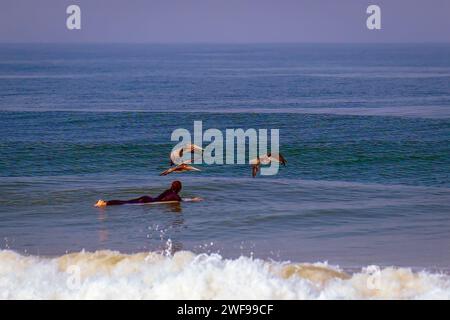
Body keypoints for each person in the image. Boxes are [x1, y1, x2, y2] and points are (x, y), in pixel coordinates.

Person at [94, 181, 198, 207]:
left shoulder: (168, 191)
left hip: (147, 198)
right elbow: (182, 200)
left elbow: (181, 199)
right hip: (147, 201)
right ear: (179, 188)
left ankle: (104, 202)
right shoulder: (176, 197)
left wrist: (192, 198)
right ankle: (104, 204)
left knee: (126, 202)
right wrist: (193, 200)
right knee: (125, 203)